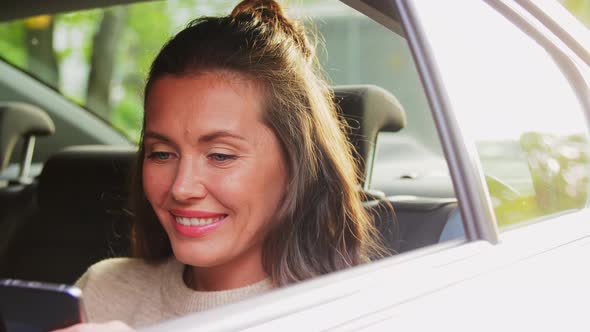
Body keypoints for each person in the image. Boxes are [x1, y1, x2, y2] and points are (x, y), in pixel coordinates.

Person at [54, 0, 386, 330]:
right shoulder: (103, 289)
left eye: (221, 156)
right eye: (161, 153)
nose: (181, 187)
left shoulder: (346, 314)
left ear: (295, 164)